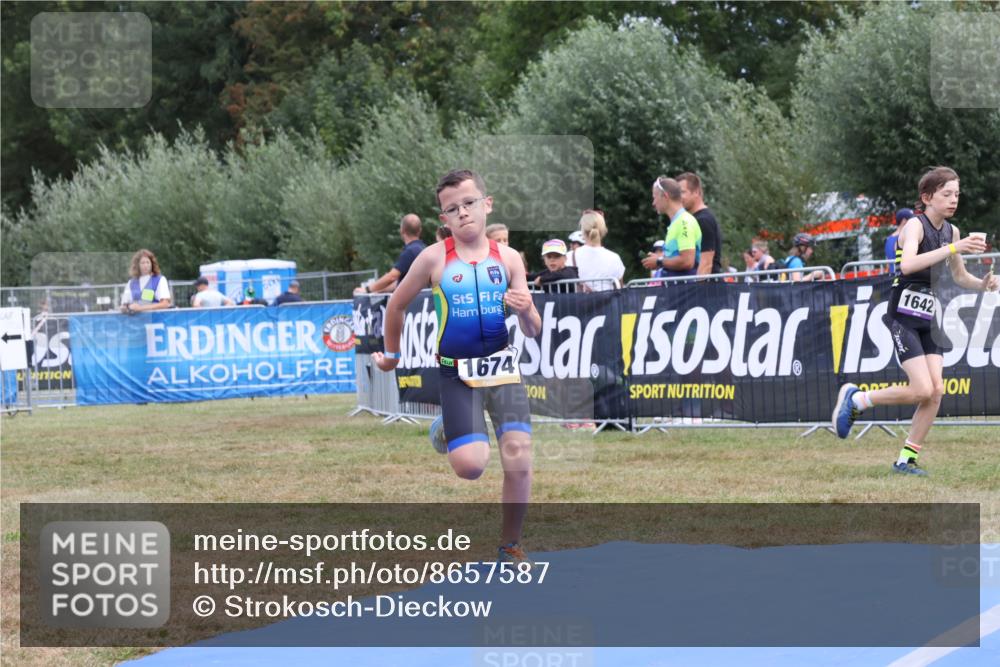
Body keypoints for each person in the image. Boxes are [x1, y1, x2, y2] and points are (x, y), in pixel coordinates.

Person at [372, 169, 541, 565]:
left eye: (469, 203)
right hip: (458, 374)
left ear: (487, 204)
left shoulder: (510, 259)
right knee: (470, 468)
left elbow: (532, 330)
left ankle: (509, 545)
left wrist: (528, 309)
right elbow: (396, 305)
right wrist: (392, 356)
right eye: (452, 209)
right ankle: (448, 425)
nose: (463, 213)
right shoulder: (434, 259)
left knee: (518, 456)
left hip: (503, 371)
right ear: (443, 220)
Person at [832, 166, 997, 475]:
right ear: (927, 197)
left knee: (936, 392)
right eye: (946, 194)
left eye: (957, 194)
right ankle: (858, 399)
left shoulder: (953, 232)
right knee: (921, 388)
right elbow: (907, 265)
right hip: (903, 316)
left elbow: (959, 275)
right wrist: (952, 248)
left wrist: (983, 283)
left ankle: (906, 460)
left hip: (929, 318)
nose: (953, 200)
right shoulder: (915, 227)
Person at [641, 177, 702, 278]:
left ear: (665, 196)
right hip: (678, 289)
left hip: (685, 290)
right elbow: (676, 256)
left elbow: (687, 261)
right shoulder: (677, 222)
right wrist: (661, 258)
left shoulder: (684, 222)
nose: (653, 203)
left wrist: (659, 261)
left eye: (654, 197)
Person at [354, 214, 427, 295]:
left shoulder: (410, 251)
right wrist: (377, 290)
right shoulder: (423, 249)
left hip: (412, 302)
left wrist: (367, 290)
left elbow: (392, 277)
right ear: (420, 230)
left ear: (402, 230)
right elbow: (399, 283)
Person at [565, 210, 625, 291]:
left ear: (582, 230)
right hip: (607, 303)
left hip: (577, 303)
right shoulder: (614, 258)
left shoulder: (568, 257)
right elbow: (619, 289)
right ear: (603, 230)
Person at [677, 172, 722, 275]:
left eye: (682, 192)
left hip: (709, 288)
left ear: (696, 192)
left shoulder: (703, 220)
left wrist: (697, 290)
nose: (679, 197)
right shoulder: (694, 219)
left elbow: (706, 264)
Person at [120, 249, 171, 314]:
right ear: (137, 265)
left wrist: (140, 308)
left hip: (155, 320)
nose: (145, 265)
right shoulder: (131, 283)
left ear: (152, 264)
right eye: (142, 263)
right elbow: (124, 304)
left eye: (147, 262)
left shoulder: (160, 280)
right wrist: (125, 308)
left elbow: (165, 304)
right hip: (135, 321)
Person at [885, 207, 914, 275]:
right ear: (904, 221)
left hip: (891, 276)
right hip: (900, 277)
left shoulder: (888, 239)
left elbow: (887, 263)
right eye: (911, 219)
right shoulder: (902, 237)